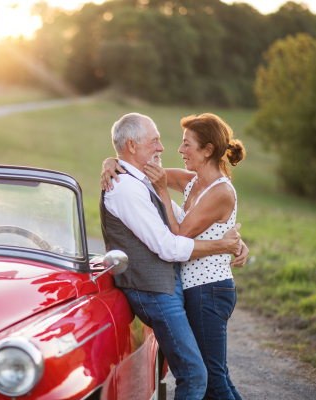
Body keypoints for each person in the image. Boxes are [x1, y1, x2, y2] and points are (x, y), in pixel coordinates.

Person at [100, 113, 248, 400]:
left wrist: (228, 243)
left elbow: (179, 231)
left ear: (207, 150)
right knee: (207, 378)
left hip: (208, 290)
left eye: (186, 144)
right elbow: (145, 175)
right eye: (156, 140)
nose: (170, 149)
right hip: (183, 289)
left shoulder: (213, 189)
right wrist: (111, 161)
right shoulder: (182, 182)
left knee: (211, 380)